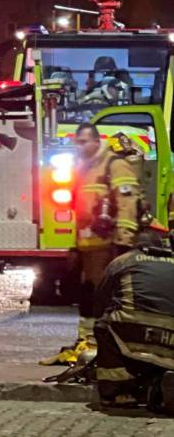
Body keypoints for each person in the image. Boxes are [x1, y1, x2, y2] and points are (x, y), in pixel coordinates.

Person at [44, 126, 144, 366]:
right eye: (77, 142)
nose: (80, 147)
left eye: (84, 142)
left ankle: (105, 348)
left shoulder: (114, 165)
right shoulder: (83, 168)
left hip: (107, 247)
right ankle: (87, 342)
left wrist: (123, 243)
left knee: (104, 299)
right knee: (86, 297)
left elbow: (128, 203)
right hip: (88, 247)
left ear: (97, 141)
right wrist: (75, 248)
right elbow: (81, 211)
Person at [91, 237, 174, 412]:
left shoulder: (123, 261)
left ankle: (118, 392)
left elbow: (100, 301)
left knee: (103, 327)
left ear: (136, 247)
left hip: (133, 331)